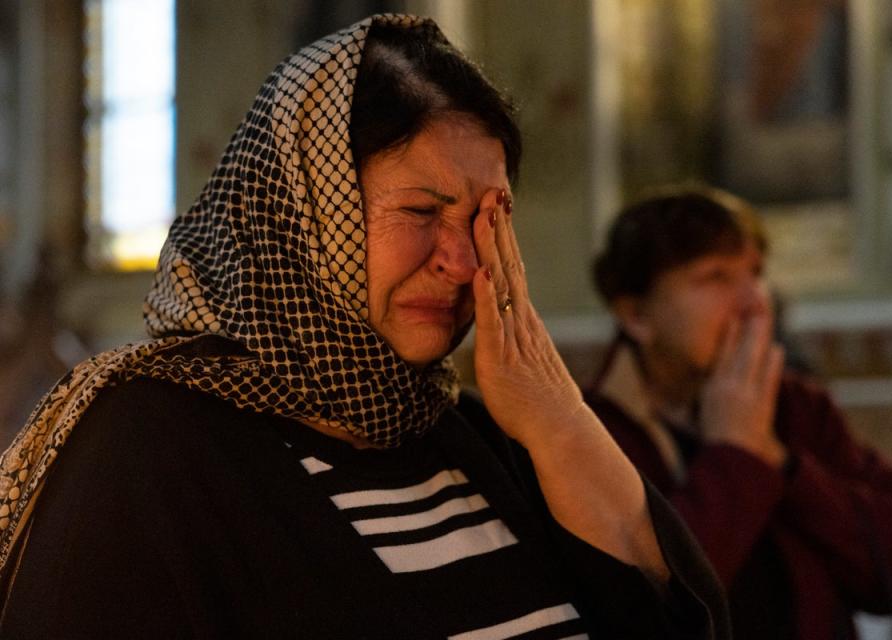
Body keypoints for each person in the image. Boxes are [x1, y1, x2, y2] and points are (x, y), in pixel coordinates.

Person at [0, 16, 728, 639]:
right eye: (421, 212)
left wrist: (558, 419)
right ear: (300, 219)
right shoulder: (147, 446)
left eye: (488, 219)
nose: (463, 259)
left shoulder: (470, 434)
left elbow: (680, 623)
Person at [587, 185, 892, 640]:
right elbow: (648, 611)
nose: (754, 301)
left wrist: (783, 463)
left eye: (755, 273)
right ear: (636, 315)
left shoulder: (797, 406)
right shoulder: (593, 433)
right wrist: (736, 455)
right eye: (715, 277)